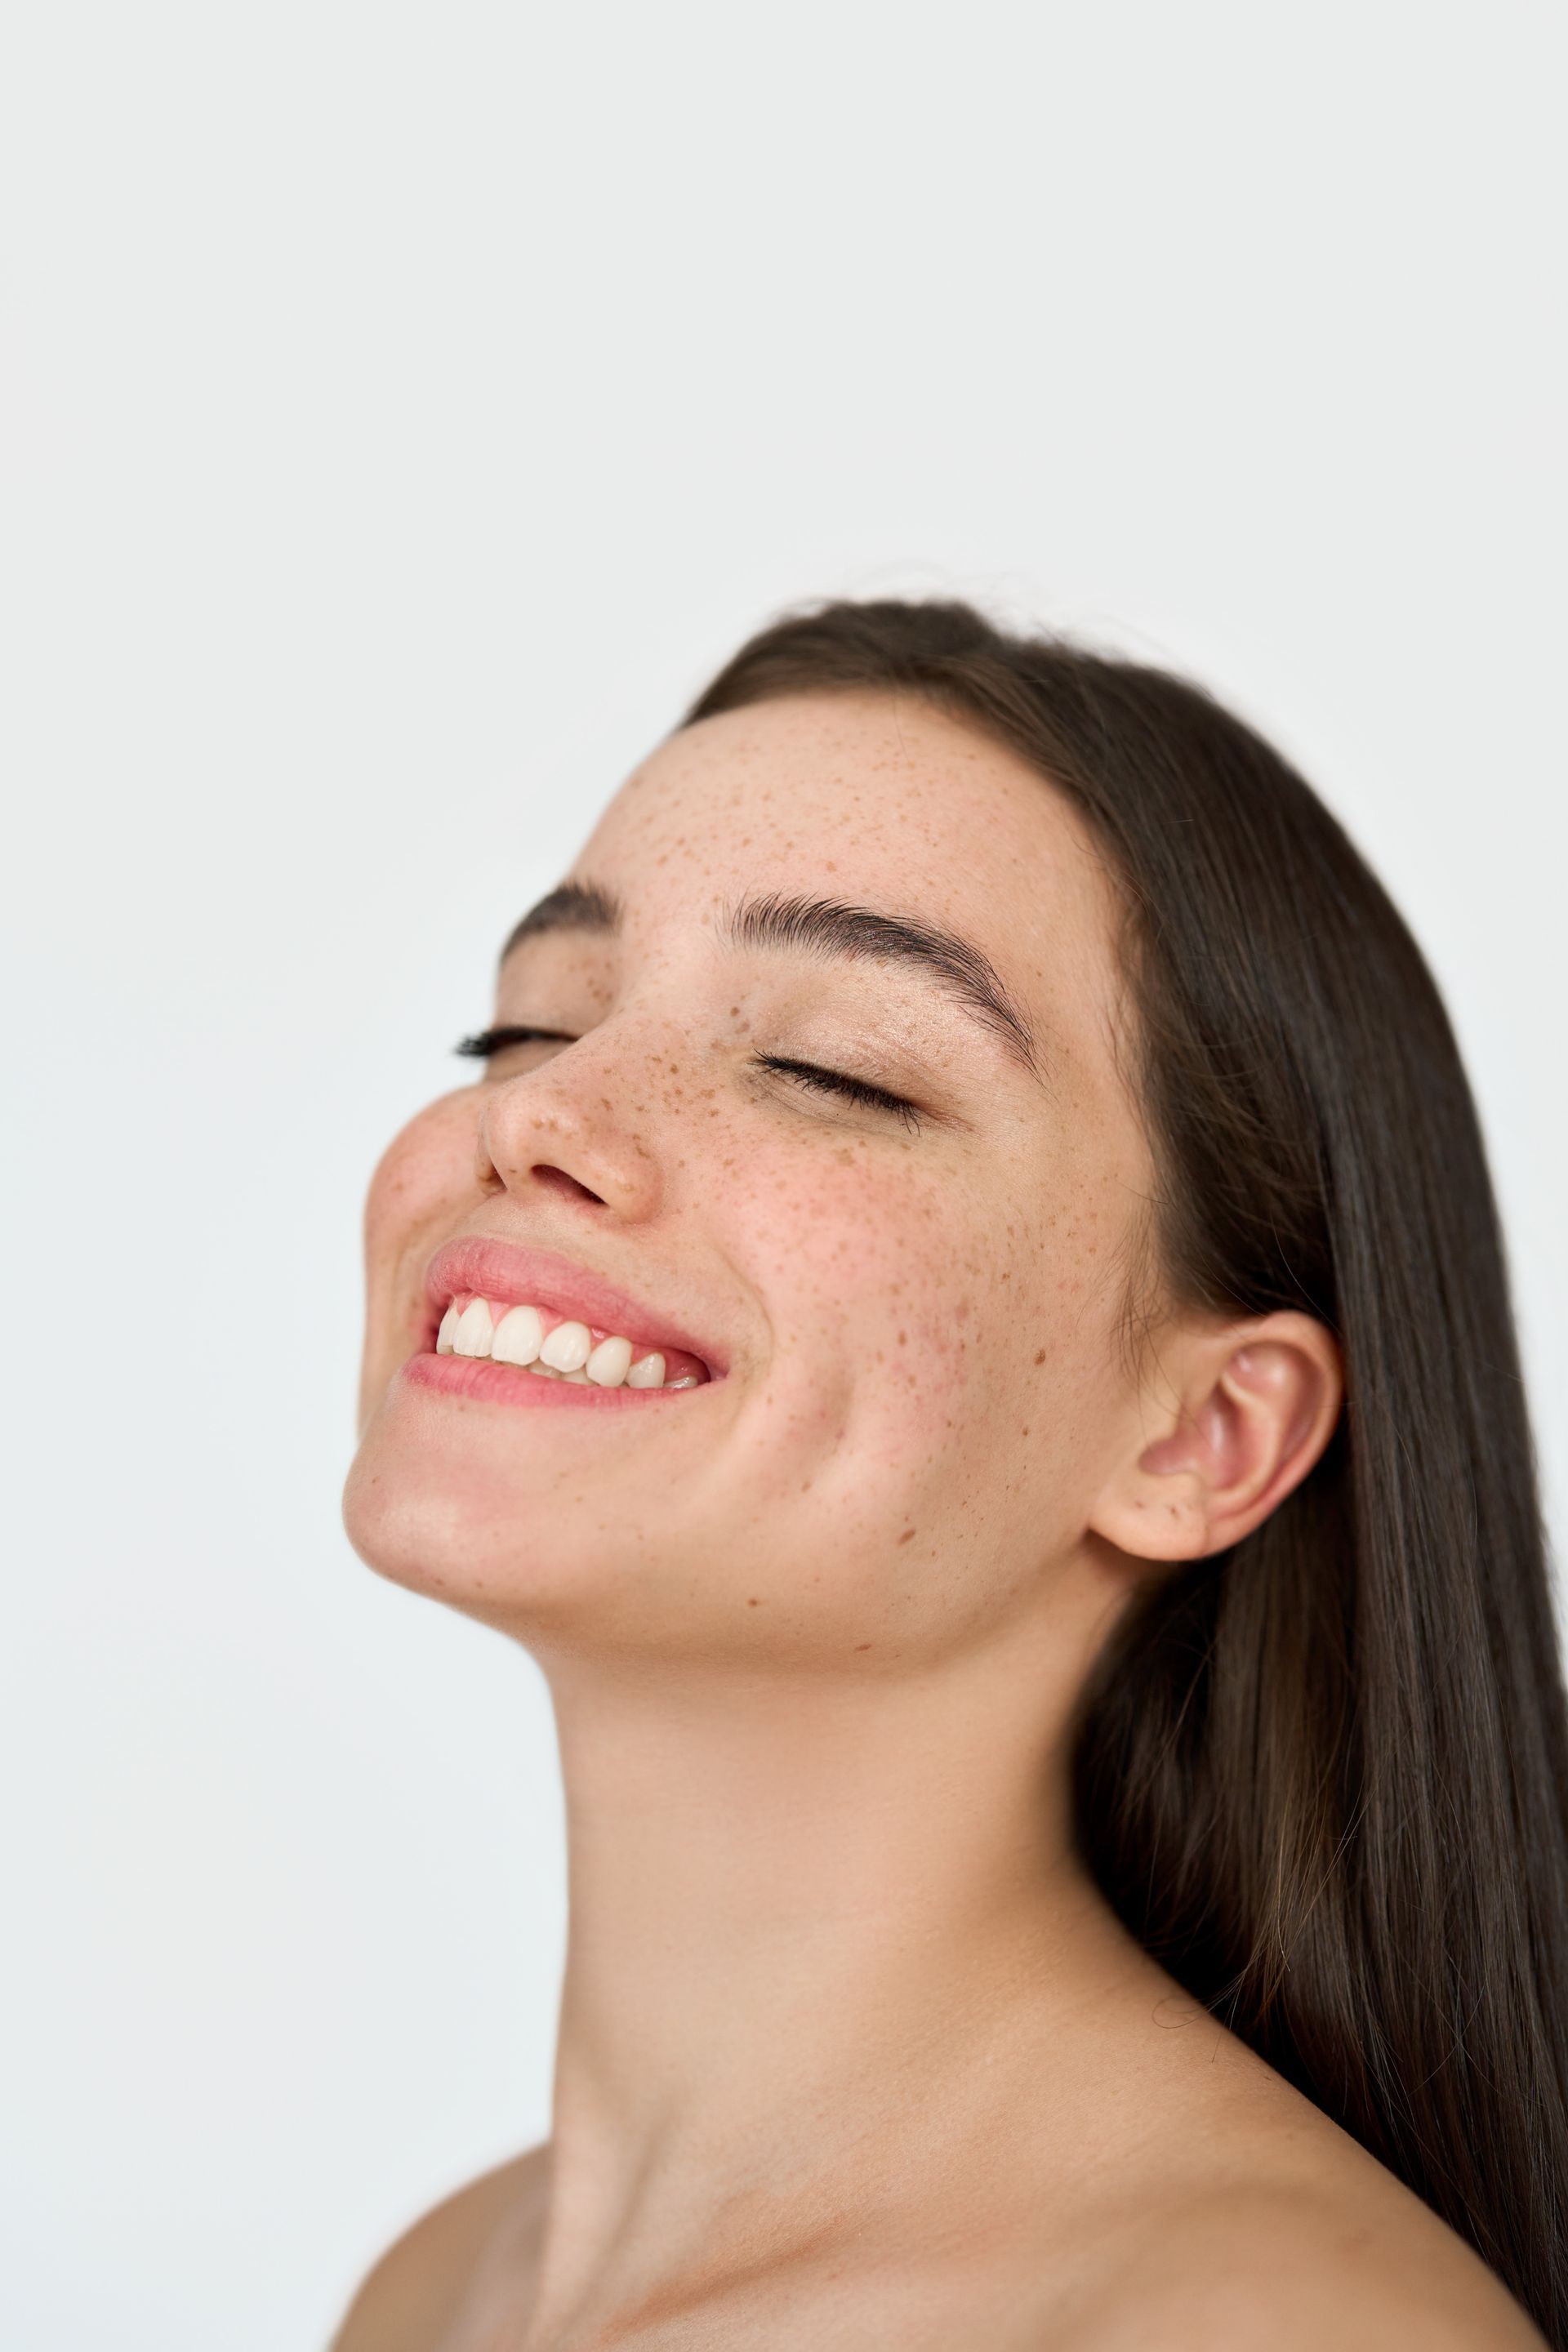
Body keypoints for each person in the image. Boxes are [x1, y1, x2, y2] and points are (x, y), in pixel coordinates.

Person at [331, 599, 1567, 2350]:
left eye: (832, 1068)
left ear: (1201, 1438)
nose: (535, 1117)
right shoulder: (438, 2291)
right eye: (530, 1027)